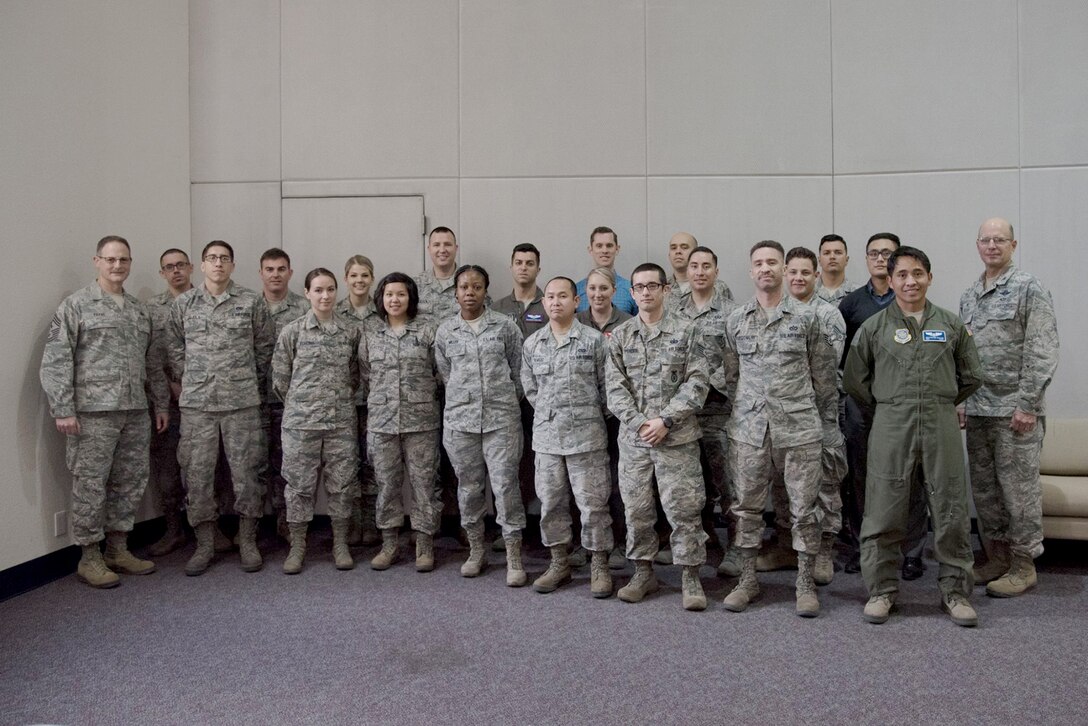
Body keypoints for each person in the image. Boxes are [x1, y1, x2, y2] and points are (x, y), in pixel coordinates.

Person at [844, 246, 982, 627]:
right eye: (902, 274)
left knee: (950, 509)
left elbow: (971, 376)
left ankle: (955, 592)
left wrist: (939, 401)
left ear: (930, 278)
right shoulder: (874, 328)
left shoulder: (951, 325)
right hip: (891, 425)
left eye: (918, 273)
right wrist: (892, 406)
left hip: (940, 425)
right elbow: (857, 381)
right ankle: (882, 591)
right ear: (890, 280)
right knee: (884, 509)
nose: (910, 281)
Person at [40, 235, 169, 588]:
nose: (117, 266)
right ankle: (90, 557)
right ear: (97, 261)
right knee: (90, 485)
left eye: (123, 260)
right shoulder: (75, 306)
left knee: (129, 483)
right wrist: (63, 408)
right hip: (92, 414)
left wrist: (159, 404)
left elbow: (152, 363)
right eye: (110, 259)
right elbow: (55, 360)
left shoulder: (138, 310)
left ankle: (117, 548)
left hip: (134, 412)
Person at [721, 241, 838, 617]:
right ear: (751, 270)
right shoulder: (736, 320)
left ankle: (804, 581)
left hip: (800, 429)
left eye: (773, 262)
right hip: (750, 431)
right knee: (747, 509)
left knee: (805, 510)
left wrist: (818, 423)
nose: (765, 268)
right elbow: (730, 375)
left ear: (785, 269)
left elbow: (825, 380)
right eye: (759, 263)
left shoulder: (808, 319)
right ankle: (748, 578)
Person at [960, 218, 1059, 598]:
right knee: (985, 491)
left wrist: (1029, 403)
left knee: (1018, 492)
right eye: (985, 239)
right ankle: (996, 557)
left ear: (1013, 245)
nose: (992, 246)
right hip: (980, 409)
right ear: (977, 244)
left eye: (1000, 240)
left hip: (1016, 412)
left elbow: (1042, 347)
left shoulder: (1027, 287)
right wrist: (963, 401)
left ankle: (1023, 565)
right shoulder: (970, 295)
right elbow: (964, 355)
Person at [167, 240, 276, 575]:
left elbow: (265, 348)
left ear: (232, 265)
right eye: (211, 259)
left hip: (241, 404)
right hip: (198, 406)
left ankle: (247, 541)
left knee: (247, 475)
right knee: (197, 475)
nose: (218, 264)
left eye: (224, 259)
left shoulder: (251, 302)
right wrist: (190, 382)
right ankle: (205, 544)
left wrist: (247, 384)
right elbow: (173, 349)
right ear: (201, 265)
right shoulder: (184, 304)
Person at [606, 263, 710, 611]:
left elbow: (698, 383)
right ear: (632, 293)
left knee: (684, 509)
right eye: (640, 287)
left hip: (676, 439)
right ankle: (643, 572)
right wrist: (639, 423)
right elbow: (614, 388)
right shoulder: (621, 336)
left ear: (666, 290)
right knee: (637, 510)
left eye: (653, 286)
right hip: (635, 442)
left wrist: (665, 419)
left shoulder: (687, 331)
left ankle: (690, 576)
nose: (646, 292)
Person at [838, 232, 928, 580]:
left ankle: (912, 552)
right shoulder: (851, 304)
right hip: (862, 407)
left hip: (906, 407)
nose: (880, 258)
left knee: (912, 478)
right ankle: (865, 548)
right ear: (866, 259)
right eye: (873, 253)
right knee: (861, 480)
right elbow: (843, 359)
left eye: (887, 254)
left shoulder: (910, 301)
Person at [760, 246, 848, 586]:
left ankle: (823, 550)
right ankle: (787, 546)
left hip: (819, 415)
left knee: (824, 485)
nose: (797, 278)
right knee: (786, 487)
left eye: (804, 272)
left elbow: (823, 372)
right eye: (792, 271)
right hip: (782, 421)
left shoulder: (827, 316)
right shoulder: (774, 313)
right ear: (784, 272)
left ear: (816, 275)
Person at [434, 265, 527, 586]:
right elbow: (446, 374)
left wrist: (500, 400)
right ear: (456, 292)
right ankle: (476, 551)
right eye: (463, 287)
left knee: (505, 487)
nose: (469, 293)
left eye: (476, 287)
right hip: (461, 423)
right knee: (469, 489)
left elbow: (519, 373)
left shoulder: (505, 327)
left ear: (486, 290)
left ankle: (514, 556)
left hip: (502, 422)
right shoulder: (445, 331)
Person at [521, 276, 614, 597]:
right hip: (547, 440)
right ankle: (559, 561)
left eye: (563, 296)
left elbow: (608, 390)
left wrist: (584, 415)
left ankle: (599, 565)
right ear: (543, 302)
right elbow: (531, 390)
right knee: (551, 504)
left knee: (594, 505)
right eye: (550, 297)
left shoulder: (594, 341)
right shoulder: (532, 345)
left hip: (587, 437)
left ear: (577, 301)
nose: (556, 302)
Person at [273, 268, 361, 573]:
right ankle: (297, 546)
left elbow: (355, 376)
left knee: (341, 485)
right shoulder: (292, 331)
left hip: (340, 424)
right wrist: (304, 406)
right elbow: (280, 380)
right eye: (318, 290)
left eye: (330, 290)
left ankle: (340, 543)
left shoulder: (350, 332)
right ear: (307, 293)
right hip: (301, 425)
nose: (325, 296)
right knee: (298, 487)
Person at [359, 273, 443, 573]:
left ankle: (424, 543)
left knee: (424, 486)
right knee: (386, 485)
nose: (395, 300)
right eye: (389, 294)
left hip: (421, 423)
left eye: (401, 294)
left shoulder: (427, 331)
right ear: (381, 298)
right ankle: (390, 543)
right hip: (382, 424)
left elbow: (440, 372)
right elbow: (365, 375)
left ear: (411, 298)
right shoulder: (370, 333)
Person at [671, 247, 739, 575]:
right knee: (691, 482)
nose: (699, 271)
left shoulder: (732, 313)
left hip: (718, 407)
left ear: (716, 270)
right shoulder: (672, 309)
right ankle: (704, 538)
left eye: (706, 266)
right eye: (694, 266)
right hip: (683, 410)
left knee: (727, 479)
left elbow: (739, 361)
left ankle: (738, 548)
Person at [576, 266, 632, 568]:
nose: (598, 294)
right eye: (592, 289)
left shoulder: (626, 324)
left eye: (604, 289)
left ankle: (620, 542)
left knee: (616, 481)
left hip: (616, 417)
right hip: (583, 417)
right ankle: (584, 544)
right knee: (583, 482)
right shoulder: (575, 322)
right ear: (585, 294)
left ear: (614, 291)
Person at [145, 248, 194, 557]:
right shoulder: (151, 310)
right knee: (167, 471)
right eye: (168, 267)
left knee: (210, 468)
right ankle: (173, 529)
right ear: (161, 273)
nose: (176, 271)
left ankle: (211, 529)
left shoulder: (204, 302)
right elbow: (151, 359)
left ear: (191, 268)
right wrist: (169, 391)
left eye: (180, 265)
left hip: (206, 398)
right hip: (168, 403)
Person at [258, 248, 309, 541]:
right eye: (269, 269)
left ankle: (286, 522)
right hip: (252, 398)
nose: (275, 274)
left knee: (288, 465)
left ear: (290, 272)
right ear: (261, 273)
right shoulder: (249, 306)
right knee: (254, 464)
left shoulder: (304, 308)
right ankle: (253, 527)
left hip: (292, 402)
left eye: (281, 269)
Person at [336, 255, 380, 547]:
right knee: (347, 463)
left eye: (364, 275)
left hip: (378, 400)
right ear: (346, 279)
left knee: (374, 462)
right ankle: (352, 523)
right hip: (345, 401)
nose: (359, 281)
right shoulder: (336, 312)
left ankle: (372, 524)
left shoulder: (383, 311)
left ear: (372, 278)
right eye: (354, 276)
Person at [575, 227, 637, 315]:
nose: (604, 251)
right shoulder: (577, 290)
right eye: (599, 246)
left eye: (609, 245)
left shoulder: (631, 289)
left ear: (617, 249)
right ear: (590, 250)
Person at [664, 232, 733, 311]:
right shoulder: (660, 287)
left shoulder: (719, 286)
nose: (678, 251)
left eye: (684, 247)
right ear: (669, 255)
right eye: (673, 248)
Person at [493, 243, 547, 338]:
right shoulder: (496, 309)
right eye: (518, 263)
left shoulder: (550, 307)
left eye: (530, 264)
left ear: (538, 270)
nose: (523, 268)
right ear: (511, 268)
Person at [415, 226, 461, 321]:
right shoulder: (415, 284)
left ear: (456, 248)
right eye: (436, 245)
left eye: (447, 244)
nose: (442, 250)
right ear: (429, 249)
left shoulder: (470, 283)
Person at [815, 234, 858, 304]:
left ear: (846, 260)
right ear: (819, 261)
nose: (832, 257)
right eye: (827, 253)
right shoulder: (807, 291)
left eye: (838, 252)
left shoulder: (859, 293)